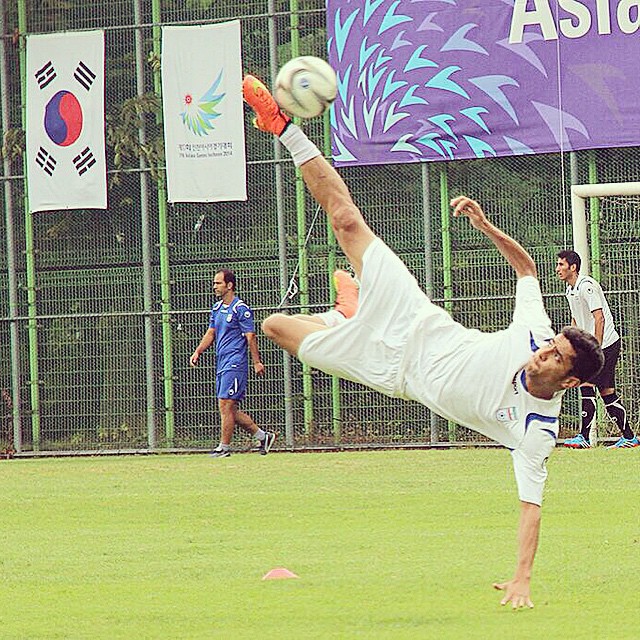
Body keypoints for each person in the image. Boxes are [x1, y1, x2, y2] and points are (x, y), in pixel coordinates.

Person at [242, 73, 605, 608]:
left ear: (569, 380)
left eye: (555, 357)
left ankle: (349, 313)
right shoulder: (535, 329)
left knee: (274, 326)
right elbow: (527, 269)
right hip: (415, 317)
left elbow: (531, 507)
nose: (543, 350)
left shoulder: (536, 430)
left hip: (393, 371)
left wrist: (522, 577)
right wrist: (485, 225)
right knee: (345, 221)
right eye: (550, 344)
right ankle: (282, 128)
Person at [556, 250, 638, 448]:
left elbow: (599, 318)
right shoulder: (570, 290)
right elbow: (577, 319)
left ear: (573, 267)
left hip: (606, 344)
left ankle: (583, 437)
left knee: (586, 384)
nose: (557, 269)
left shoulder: (587, 286)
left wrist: (597, 348)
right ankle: (628, 437)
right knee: (607, 392)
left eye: (561, 264)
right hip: (592, 346)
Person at [190, 268, 276, 457]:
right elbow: (211, 333)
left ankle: (224, 448)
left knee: (226, 405)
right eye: (214, 283)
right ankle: (263, 437)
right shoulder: (217, 308)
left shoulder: (241, 309)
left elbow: (250, 336)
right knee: (228, 408)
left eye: (218, 283)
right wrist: (198, 351)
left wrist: (256, 362)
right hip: (221, 363)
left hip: (235, 363)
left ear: (229, 285)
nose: (215, 286)